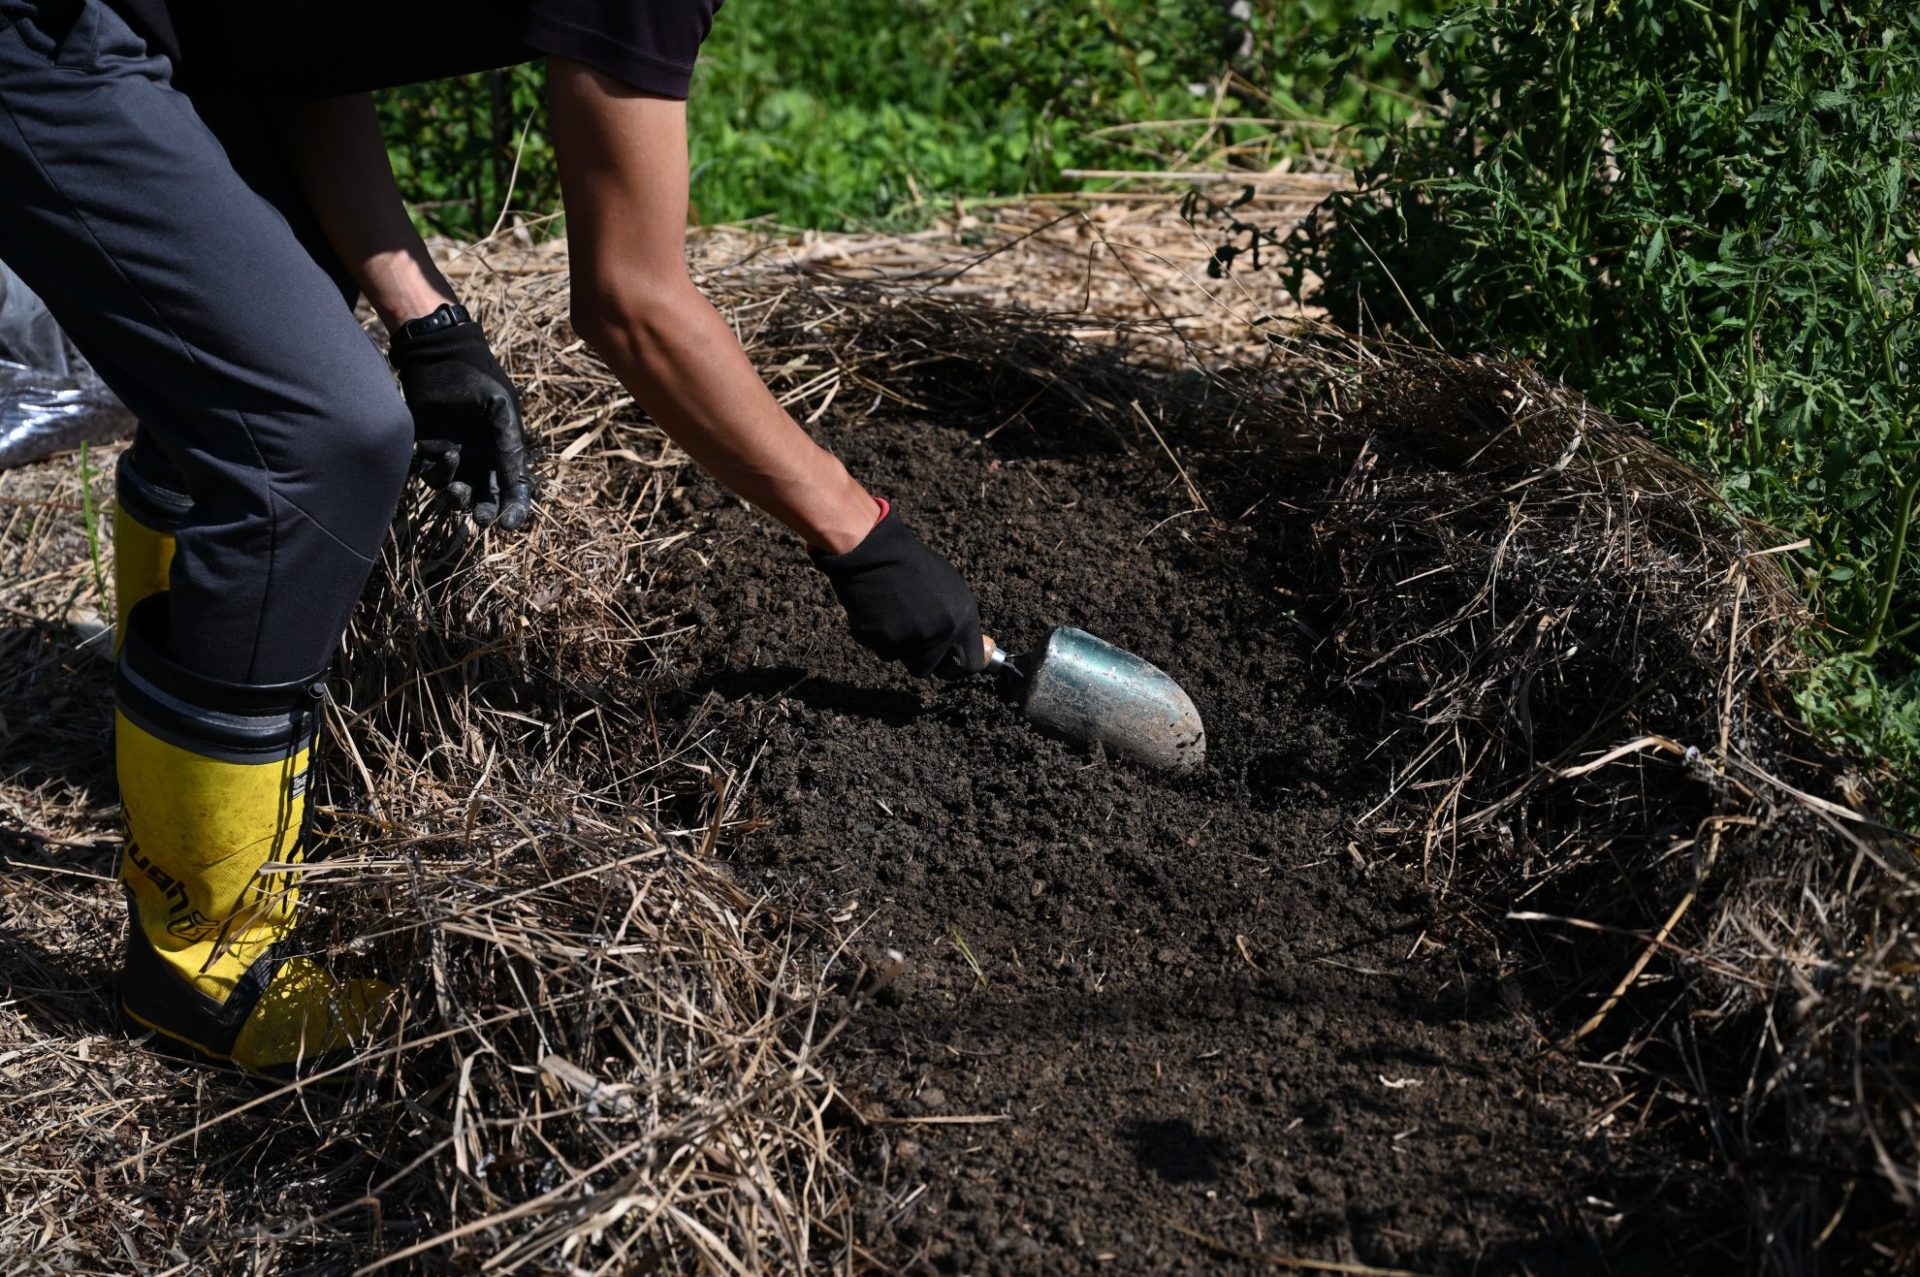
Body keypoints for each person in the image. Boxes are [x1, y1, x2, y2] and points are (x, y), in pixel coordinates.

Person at [0, 0, 987, 1079]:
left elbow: (300, 45)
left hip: (185, 35)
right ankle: (200, 958)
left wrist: (429, 322)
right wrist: (860, 534)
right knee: (317, 439)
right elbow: (633, 302)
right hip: (48, 28)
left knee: (265, 330)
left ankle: (180, 788)